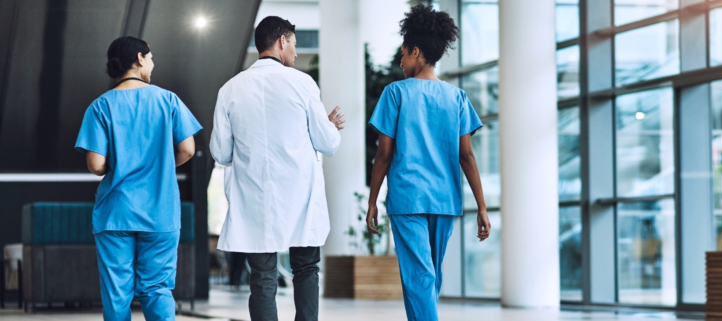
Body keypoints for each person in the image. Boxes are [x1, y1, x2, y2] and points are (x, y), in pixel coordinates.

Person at [210, 16, 345, 321]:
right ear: (282, 41)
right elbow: (328, 144)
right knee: (306, 269)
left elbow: (220, 152)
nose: (295, 53)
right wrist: (329, 127)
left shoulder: (230, 89)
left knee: (262, 279)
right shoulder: (302, 83)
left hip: (254, 199)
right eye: (294, 44)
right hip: (301, 197)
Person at [366, 5, 490, 321]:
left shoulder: (395, 93)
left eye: (404, 54)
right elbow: (467, 156)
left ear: (417, 52)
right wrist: (482, 206)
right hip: (444, 200)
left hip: (408, 198)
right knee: (429, 276)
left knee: (420, 277)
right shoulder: (457, 97)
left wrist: (373, 202)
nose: (400, 61)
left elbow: (383, 155)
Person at [75, 36, 202, 321]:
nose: (153, 64)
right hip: (160, 210)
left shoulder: (100, 106)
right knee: (157, 288)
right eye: (151, 57)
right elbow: (188, 148)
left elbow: (95, 164)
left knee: (117, 293)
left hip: (115, 212)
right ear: (140, 58)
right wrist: (163, 164)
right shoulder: (168, 100)